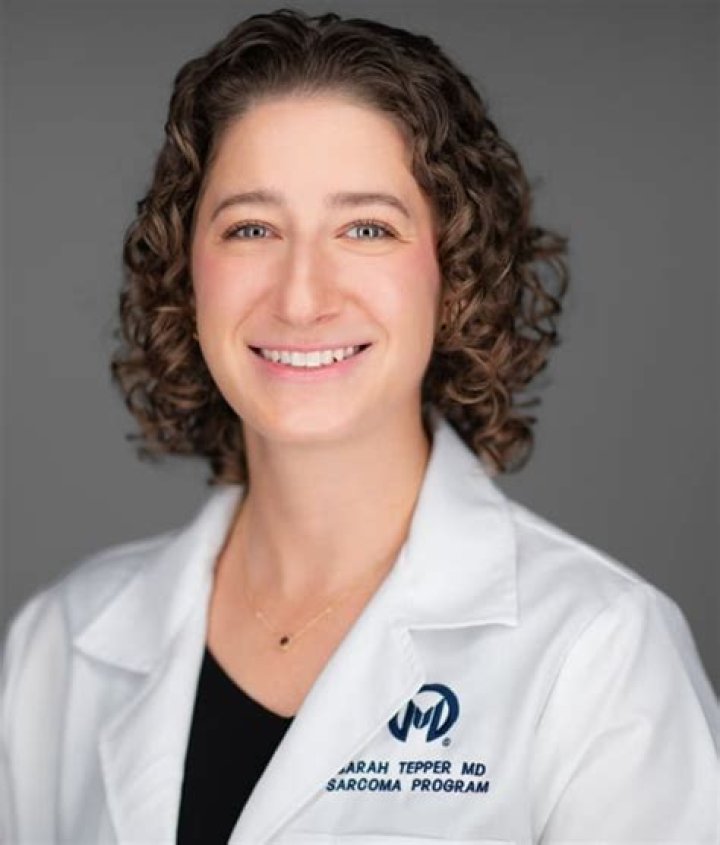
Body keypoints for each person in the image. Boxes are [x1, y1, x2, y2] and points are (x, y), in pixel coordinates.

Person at [1, 7, 717, 844]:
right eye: (251, 228)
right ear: (186, 270)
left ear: (455, 270)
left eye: (367, 228)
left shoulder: (600, 654)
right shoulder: (61, 645)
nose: (302, 296)